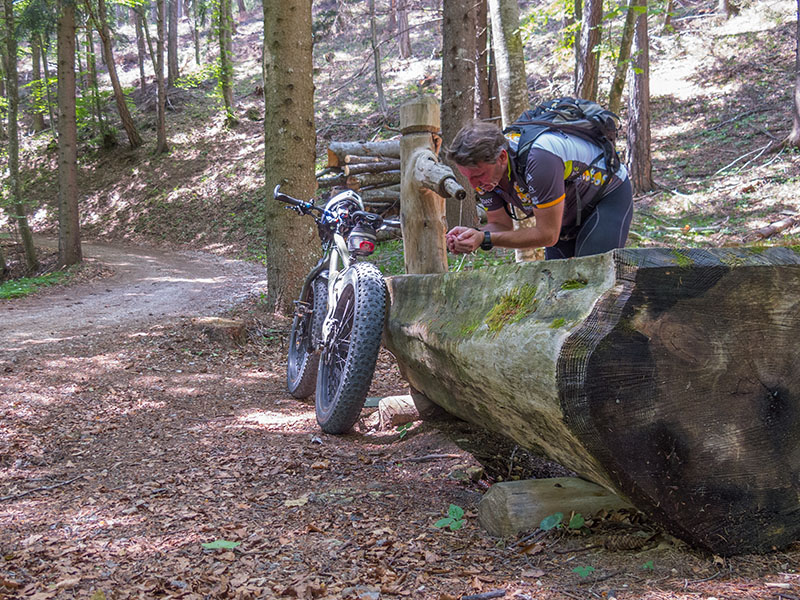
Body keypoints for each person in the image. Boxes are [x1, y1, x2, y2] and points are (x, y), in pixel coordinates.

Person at [445, 120, 633, 260]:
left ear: (502, 157)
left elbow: (547, 235)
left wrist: (485, 238)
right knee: (560, 290)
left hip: (606, 197)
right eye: (467, 177)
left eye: (478, 176)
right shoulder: (487, 173)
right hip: (566, 214)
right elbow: (500, 225)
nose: (474, 185)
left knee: (592, 281)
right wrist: (473, 235)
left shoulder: (540, 160)